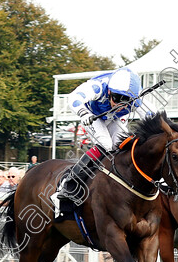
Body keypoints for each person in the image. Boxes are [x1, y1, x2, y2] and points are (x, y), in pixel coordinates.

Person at [56, 67, 151, 213]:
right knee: (105, 145)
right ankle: (71, 182)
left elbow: (153, 116)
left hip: (115, 118)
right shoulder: (98, 86)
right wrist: (83, 113)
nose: (121, 105)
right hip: (93, 116)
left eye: (127, 101)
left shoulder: (137, 97)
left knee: (121, 146)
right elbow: (73, 98)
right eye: (117, 99)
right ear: (108, 91)